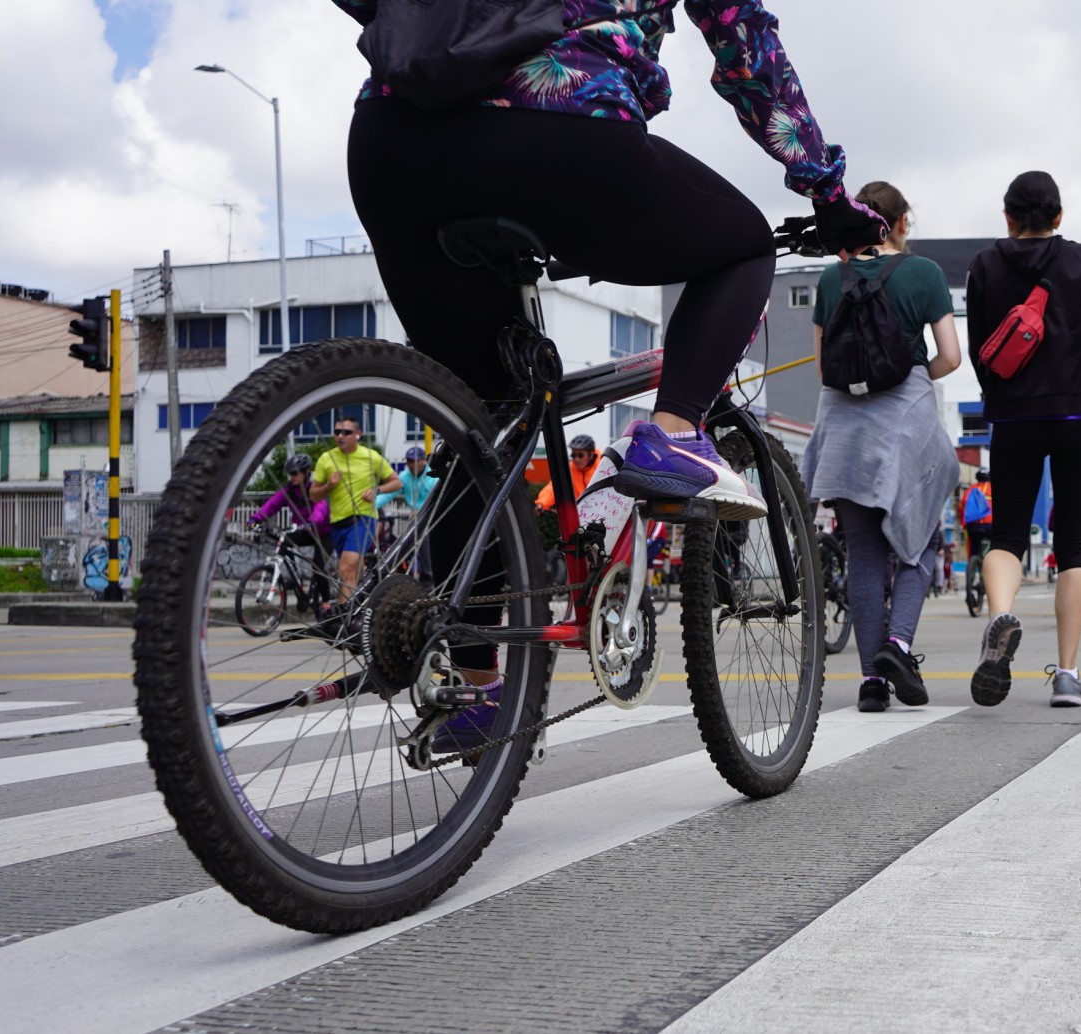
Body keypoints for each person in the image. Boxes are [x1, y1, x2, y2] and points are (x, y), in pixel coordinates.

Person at [329, 0, 887, 749]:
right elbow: (747, 50)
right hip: (559, 125)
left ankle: (476, 686)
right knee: (744, 245)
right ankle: (675, 429)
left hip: (392, 142)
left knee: (479, 421)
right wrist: (826, 191)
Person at [964, 170, 1081, 709]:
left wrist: (1003, 390)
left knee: (1008, 536)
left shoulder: (984, 265)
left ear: (1008, 217)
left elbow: (978, 346)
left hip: (1014, 416)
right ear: (1059, 217)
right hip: (1078, 414)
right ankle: (1066, 675)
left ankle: (1000, 615)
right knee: (1071, 543)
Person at [802, 180, 961, 714]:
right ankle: (898, 645)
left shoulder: (831, 277)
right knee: (919, 543)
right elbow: (951, 357)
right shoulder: (925, 273)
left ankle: (872, 682)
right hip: (903, 426)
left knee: (865, 554)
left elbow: (825, 368)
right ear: (901, 223)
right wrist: (910, 370)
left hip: (844, 429)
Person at [310, 416, 402, 608]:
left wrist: (377, 490)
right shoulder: (326, 459)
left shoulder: (371, 456)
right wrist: (328, 485)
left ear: (358, 435)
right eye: (337, 432)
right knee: (353, 573)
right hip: (337, 522)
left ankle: (343, 619)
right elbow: (313, 496)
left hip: (363, 519)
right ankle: (361, 610)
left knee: (345, 569)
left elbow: (396, 482)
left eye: (346, 432)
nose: (340, 436)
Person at [251, 453, 334, 604]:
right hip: (304, 531)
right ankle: (297, 582)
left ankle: (326, 603)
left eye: (296, 473)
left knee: (318, 566)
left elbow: (320, 508)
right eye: (290, 474)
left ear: (306, 472)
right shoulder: (289, 491)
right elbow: (272, 505)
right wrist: (255, 519)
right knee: (284, 542)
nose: (292, 477)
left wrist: (312, 522)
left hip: (323, 532)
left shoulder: (314, 488)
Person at [535, 435, 601, 512]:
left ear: (591, 455)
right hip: (581, 513)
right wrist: (542, 503)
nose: (576, 459)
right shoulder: (570, 468)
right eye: (573, 455)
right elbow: (554, 487)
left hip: (603, 511)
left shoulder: (602, 466)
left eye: (580, 455)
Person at [377, 445, 439, 512]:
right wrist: (371, 506)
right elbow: (389, 494)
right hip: (416, 515)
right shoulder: (404, 476)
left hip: (433, 513)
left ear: (423, 459)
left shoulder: (433, 475)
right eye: (409, 461)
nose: (411, 464)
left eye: (415, 460)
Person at [961, 468, 994, 559]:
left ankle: (973, 560)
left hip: (973, 525)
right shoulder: (993, 488)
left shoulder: (970, 489)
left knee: (973, 547)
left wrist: (964, 523)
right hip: (990, 525)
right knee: (997, 544)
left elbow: (961, 506)